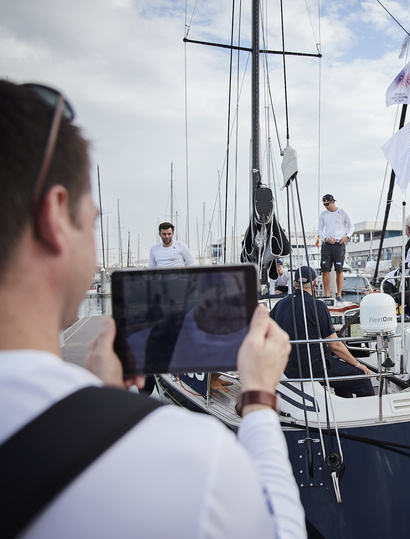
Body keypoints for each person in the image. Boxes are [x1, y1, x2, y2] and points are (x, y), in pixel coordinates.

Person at [0, 81, 305, 537]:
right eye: (93, 217)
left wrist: (110, 401)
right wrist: (259, 398)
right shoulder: (194, 465)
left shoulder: (177, 248)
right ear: (55, 217)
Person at [271, 266, 374, 398]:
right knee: (361, 379)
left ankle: (343, 407)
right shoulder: (317, 306)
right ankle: (366, 414)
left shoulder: (280, 305)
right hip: (312, 366)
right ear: (314, 283)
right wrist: (358, 364)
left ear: (294, 283)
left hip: (286, 367)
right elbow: (335, 345)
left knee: (342, 376)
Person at [318, 194, 354, 302]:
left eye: (327, 204)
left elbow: (351, 225)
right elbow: (320, 230)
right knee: (325, 269)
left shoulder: (342, 212)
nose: (326, 207)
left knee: (339, 269)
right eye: (324, 205)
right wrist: (325, 238)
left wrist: (347, 237)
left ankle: (339, 295)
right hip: (328, 244)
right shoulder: (323, 215)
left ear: (333, 202)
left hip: (339, 244)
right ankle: (327, 295)